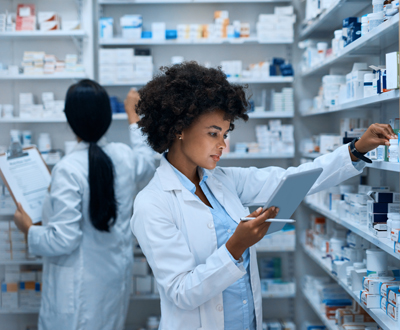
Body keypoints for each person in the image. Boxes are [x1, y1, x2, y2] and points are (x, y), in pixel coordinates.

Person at [131, 62, 397, 330]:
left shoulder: (222, 180)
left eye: (224, 134)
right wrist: (236, 246)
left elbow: (292, 180)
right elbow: (181, 291)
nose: (222, 144)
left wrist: (356, 149)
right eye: (213, 133)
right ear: (180, 128)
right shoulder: (152, 203)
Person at [13, 81, 155, 330]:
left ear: (69, 119)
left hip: (77, 288)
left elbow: (62, 240)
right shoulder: (124, 157)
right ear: (107, 117)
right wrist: (134, 116)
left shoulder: (68, 168)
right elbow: (147, 159)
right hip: (112, 280)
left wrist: (28, 229)